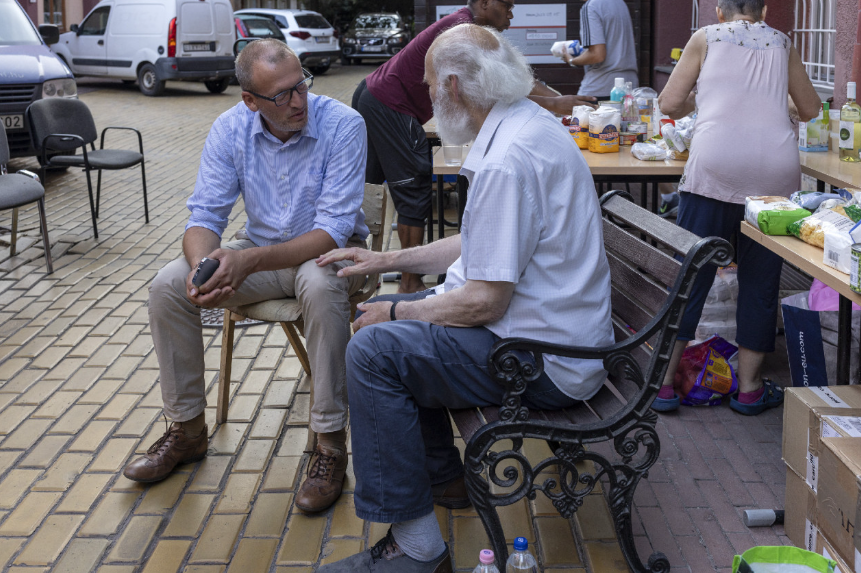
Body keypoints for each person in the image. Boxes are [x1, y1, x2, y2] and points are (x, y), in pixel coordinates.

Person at [317, 23, 614, 572]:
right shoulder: (526, 125)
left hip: (546, 361)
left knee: (372, 351)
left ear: (454, 86)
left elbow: (484, 303)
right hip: (555, 338)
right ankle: (441, 478)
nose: (429, 99)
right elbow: (482, 242)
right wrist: (386, 261)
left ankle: (416, 550)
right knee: (390, 333)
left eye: (430, 87)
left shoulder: (506, 158)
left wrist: (398, 309)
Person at [123, 39, 369, 515]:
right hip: (259, 253)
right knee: (168, 285)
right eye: (282, 95)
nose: (297, 101)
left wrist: (248, 262)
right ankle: (188, 430)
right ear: (250, 100)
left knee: (320, 286)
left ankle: (329, 443)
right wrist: (205, 270)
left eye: (301, 85)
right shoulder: (230, 127)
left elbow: (332, 230)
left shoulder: (343, 124)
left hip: (328, 254)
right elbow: (204, 216)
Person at [352, 0, 597, 295]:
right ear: (484, 3)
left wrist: (554, 101)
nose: (511, 13)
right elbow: (511, 81)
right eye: (507, 5)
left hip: (373, 93)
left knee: (374, 186)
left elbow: (511, 80)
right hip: (388, 102)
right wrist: (555, 102)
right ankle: (406, 281)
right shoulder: (465, 31)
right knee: (412, 187)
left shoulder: (469, 30)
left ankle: (377, 269)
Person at [653, 0, 821, 414]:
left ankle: (663, 386)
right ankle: (749, 389)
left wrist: (704, 100)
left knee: (692, 276)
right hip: (774, 176)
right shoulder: (783, 42)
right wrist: (776, 104)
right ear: (764, 10)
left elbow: (669, 104)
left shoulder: (705, 37)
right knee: (761, 284)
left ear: (719, 11)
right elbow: (811, 110)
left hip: (715, 169)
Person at [556, 0, 639, 99]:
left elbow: (597, 55)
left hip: (600, 87)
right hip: (629, 86)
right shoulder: (620, 3)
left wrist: (571, 60)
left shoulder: (591, 6)